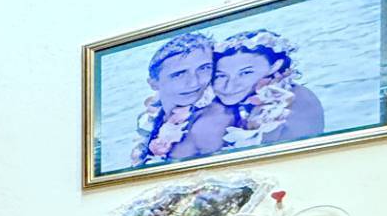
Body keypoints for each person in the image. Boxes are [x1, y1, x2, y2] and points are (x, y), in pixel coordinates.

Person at [213, 30, 324, 150]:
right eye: (221, 76)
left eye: (246, 73)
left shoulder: (294, 99)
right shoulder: (243, 104)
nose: (229, 86)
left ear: (275, 66)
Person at [132, 32, 226, 166]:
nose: (194, 82)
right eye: (179, 74)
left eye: (204, 68)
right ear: (154, 84)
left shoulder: (216, 118)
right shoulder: (149, 122)